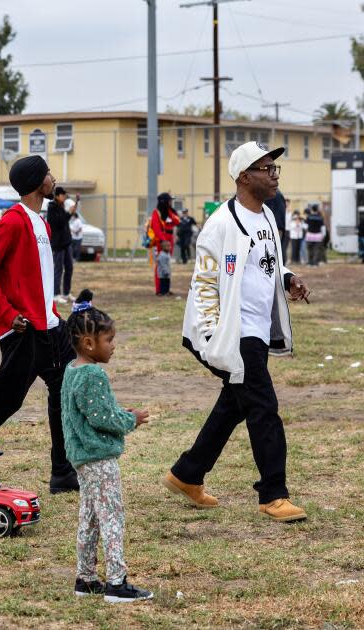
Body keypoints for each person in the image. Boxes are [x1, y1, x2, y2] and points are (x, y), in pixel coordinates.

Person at [164, 141, 311, 522]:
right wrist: (217, 340)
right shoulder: (220, 225)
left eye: (275, 168)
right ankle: (273, 494)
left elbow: (266, 265)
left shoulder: (265, 217)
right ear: (244, 177)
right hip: (233, 332)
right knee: (263, 407)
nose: (274, 174)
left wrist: (288, 277)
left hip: (257, 330)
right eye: (266, 168)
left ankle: (187, 473)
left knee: (235, 403)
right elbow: (205, 285)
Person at [0, 155, 79, 494]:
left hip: (51, 327)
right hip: (24, 330)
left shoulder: (43, 222)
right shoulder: (12, 222)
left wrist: (52, 312)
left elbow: (37, 276)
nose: (54, 178)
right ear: (39, 182)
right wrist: (8, 315)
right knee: (6, 400)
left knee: (65, 392)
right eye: (49, 173)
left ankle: (63, 473)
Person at [61, 289, 153, 602]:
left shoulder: (71, 371)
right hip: (98, 458)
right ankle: (117, 582)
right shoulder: (93, 374)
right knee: (112, 516)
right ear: (89, 343)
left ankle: (85, 578)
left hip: (80, 457)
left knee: (89, 518)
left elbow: (90, 413)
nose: (113, 346)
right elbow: (102, 419)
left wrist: (119, 414)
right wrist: (132, 419)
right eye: (109, 340)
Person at [149, 193, 180, 295]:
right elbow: (156, 228)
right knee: (160, 266)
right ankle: (159, 290)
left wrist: (170, 212)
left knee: (166, 265)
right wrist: (163, 241)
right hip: (162, 242)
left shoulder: (170, 212)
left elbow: (177, 221)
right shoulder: (156, 213)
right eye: (169, 200)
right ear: (164, 201)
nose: (171, 202)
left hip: (169, 240)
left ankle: (166, 289)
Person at [47, 187, 74, 303]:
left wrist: (69, 213)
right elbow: (59, 222)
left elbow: (64, 221)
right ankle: (55, 294)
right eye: (63, 195)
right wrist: (69, 213)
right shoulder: (52, 208)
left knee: (69, 268)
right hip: (58, 244)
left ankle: (66, 293)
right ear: (57, 195)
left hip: (66, 243)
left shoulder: (61, 207)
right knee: (58, 269)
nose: (65, 197)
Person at [265, 190, 287, 264]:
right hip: (277, 226)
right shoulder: (277, 194)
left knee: (274, 253)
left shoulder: (272, 194)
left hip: (274, 227)